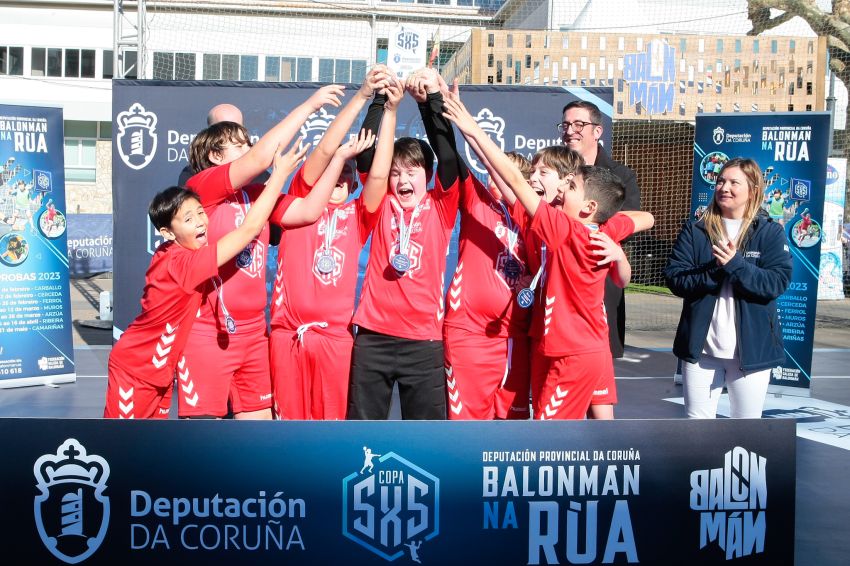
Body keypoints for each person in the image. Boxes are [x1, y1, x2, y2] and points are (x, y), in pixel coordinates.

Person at [443, 93, 653, 420]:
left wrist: (470, 127)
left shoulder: (561, 228)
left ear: (587, 205)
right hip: (552, 342)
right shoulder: (591, 227)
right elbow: (645, 218)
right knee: (576, 428)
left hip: (576, 349)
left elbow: (511, 178)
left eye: (567, 184)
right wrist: (610, 236)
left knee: (557, 435)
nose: (534, 179)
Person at [103, 140, 308, 419]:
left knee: (149, 452)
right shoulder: (183, 263)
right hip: (136, 368)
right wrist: (280, 175)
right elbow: (249, 229)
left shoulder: (184, 252)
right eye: (188, 219)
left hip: (161, 371)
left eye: (200, 213)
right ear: (167, 232)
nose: (200, 222)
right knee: (121, 449)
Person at [178, 85, 344, 420]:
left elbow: (310, 211)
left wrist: (338, 159)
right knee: (199, 444)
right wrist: (310, 106)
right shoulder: (202, 187)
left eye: (248, 142)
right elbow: (261, 158)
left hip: (254, 332)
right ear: (215, 156)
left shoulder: (257, 194)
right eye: (238, 144)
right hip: (209, 332)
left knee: (257, 439)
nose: (250, 149)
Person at [270, 67, 392, 420]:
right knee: (286, 432)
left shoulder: (359, 214)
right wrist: (361, 95)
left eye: (347, 174)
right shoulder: (297, 201)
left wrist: (386, 107)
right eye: (332, 173)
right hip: (288, 335)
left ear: (354, 181)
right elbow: (325, 150)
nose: (338, 177)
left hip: (335, 340)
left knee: (331, 429)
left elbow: (380, 174)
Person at [346, 67, 468, 420]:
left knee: (426, 437)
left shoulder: (441, 205)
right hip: (372, 337)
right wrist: (382, 99)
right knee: (361, 435)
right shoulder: (380, 201)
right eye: (396, 171)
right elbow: (368, 156)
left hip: (424, 341)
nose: (402, 179)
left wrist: (431, 100)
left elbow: (447, 155)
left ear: (426, 176)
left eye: (412, 171)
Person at [664, 158, 792, 419]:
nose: (724, 187)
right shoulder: (695, 230)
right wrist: (716, 270)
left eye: (734, 182)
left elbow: (776, 283)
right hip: (702, 352)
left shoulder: (769, 233)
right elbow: (675, 279)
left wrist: (736, 265)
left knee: (745, 429)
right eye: (721, 181)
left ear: (753, 190)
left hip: (751, 352)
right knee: (697, 429)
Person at [559, 99, 641, 419]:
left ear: (597, 130)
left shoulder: (621, 175)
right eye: (565, 125)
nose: (570, 131)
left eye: (578, 125)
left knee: (599, 402)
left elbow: (632, 219)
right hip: (560, 299)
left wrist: (586, 231)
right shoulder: (556, 171)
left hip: (600, 295)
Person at [442, 150, 533, 420]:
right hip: (471, 334)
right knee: (468, 427)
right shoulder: (477, 199)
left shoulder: (535, 217)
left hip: (516, 338)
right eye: (493, 167)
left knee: (512, 427)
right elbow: (451, 159)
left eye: (505, 169)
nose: (497, 173)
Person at [177, 104, 245, 187]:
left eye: (237, 127)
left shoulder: (259, 174)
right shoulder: (193, 176)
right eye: (223, 128)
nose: (233, 133)